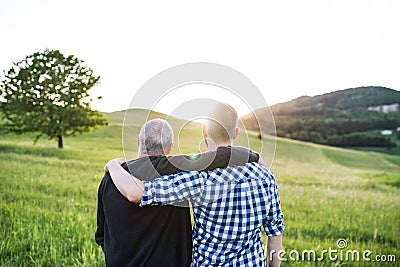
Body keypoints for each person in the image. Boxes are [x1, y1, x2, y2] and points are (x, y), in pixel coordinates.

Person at [106, 104, 284, 267]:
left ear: (204, 131)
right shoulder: (265, 177)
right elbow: (275, 236)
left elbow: (136, 194)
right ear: (235, 133)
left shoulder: (198, 178)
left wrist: (114, 165)